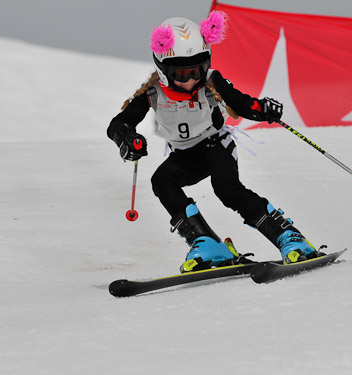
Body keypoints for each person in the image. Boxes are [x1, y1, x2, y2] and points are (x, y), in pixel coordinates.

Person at [107, 11, 321, 272]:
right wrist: (127, 138)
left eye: (196, 71)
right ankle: (206, 242)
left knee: (226, 188)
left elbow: (240, 102)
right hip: (185, 156)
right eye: (181, 73)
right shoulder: (152, 93)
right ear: (162, 69)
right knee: (162, 181)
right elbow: (118, 124)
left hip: (216, 145)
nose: (190, 80)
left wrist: (261, 108)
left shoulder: (210, 82)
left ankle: (289, 236)